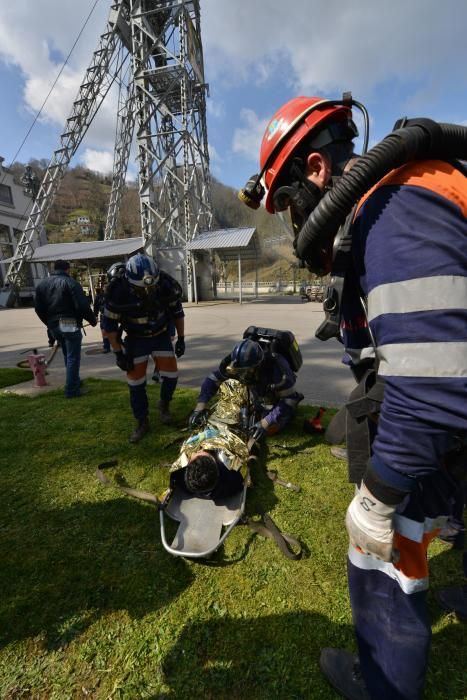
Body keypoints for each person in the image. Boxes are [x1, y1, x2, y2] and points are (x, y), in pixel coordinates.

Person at [241, 95, 467, 699]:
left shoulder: (392, 204)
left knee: (385, 546)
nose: (293, 220)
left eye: (288, 202)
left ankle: (384, 684)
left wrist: (380, 492)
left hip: (444, 419)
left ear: (316, 169)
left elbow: (434, 379)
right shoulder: (423, 186)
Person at [102, 253, 185, 443]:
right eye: (141, 289)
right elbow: (110, 327)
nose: (147, 291)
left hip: (161, 335)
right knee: (135, 383)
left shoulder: (165, 284)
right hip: (136, 338)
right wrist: (118, 353)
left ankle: (164, 405)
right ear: (130, 282)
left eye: (151, 286)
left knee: (171, 376)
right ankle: (142, 421)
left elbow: (178, 312)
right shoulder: (118, 290)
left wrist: (181, 338)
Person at [189, 337, 303, 440]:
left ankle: (271, 418)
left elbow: (289, 400)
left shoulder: (277, 369)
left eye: (247, 371)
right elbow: (212, 379)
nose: (243, 375)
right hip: (258, 397)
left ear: (258, 365)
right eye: (240, 371)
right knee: (234, 418)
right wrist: (199, 408)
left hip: (278, 401)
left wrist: (265, 423)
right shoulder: (237, 365)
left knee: (269, 429)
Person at [34, 259, 97, 398]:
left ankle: (74, 381)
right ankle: (72, 390)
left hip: (53, 324)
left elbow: (38, 308)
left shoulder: (42, 285)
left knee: (67, 355)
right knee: (73, 357)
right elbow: (82, 305)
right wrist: (92, 320)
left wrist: (49, 323)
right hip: (68, 321)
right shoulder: (71, 283)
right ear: (67, 269)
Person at [93, 286, 111, 353]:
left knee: (113, 332)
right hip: (103, 316)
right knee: (104, 332)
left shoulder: (112, 295)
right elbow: (96, 306)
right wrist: (95, 315)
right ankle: (106, 346)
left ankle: (117, 344)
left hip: (111, 316)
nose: (105, 287)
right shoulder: (99, 297)